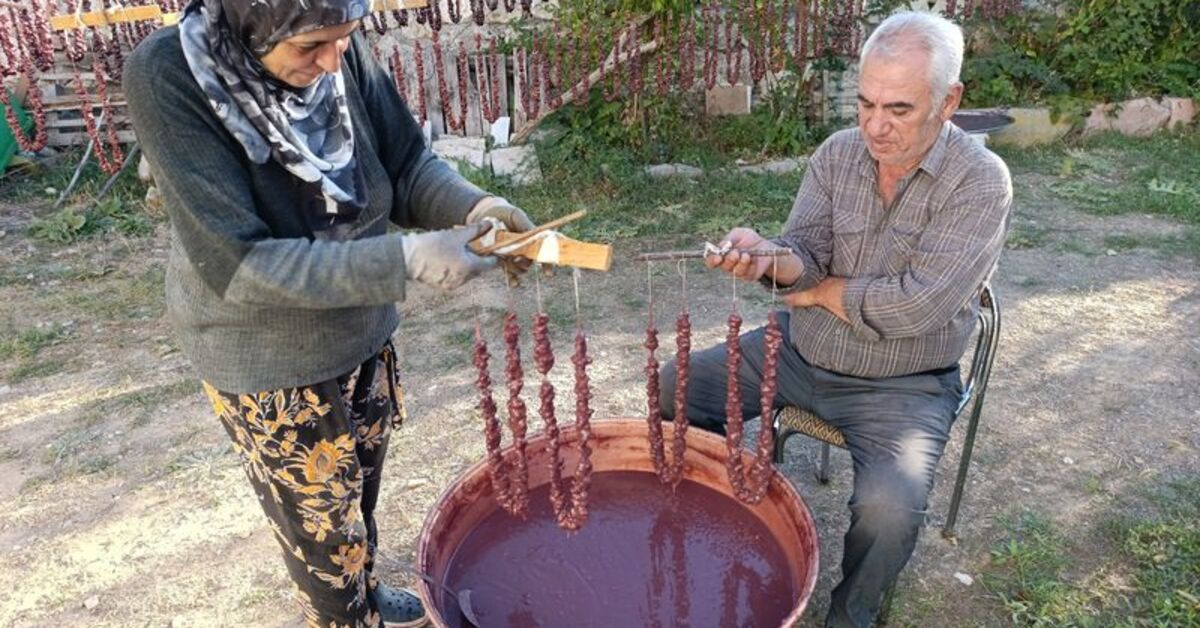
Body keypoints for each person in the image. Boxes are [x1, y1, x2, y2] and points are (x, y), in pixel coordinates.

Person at [124, 1, 535, 626]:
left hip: (361, 326)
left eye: (345, 38)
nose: (334, 58)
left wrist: (475, 205)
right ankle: (346, 614)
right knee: (320, 535)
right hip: (268, 356)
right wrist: (405, 260)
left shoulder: (332, 44)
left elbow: (406, 163)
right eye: (312, 46)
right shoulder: (169, 74)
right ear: (252, 25)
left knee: (358, 496)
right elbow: (239, 263)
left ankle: (363, 590)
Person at [659, 11, 1012, 628]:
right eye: (866, 103)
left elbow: (920, 303)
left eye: (899, 109)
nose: (876, 126)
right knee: (674, 384)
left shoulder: (981, 182)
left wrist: (819, 294)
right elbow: (807, 252)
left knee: (890, 508)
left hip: (903, 382)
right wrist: (770, 260)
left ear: (948, 100)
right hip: (799, 350)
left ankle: (851, 615)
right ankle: (714, 516)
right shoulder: (838, 154)